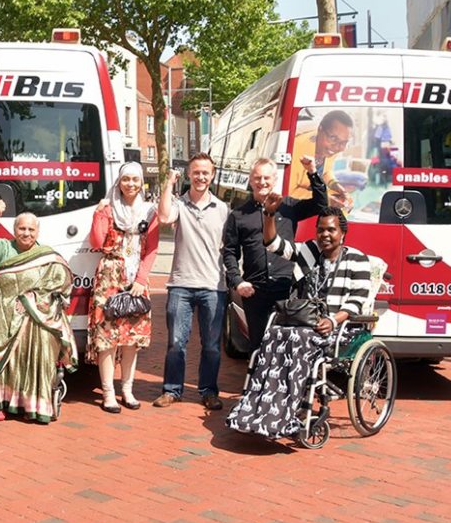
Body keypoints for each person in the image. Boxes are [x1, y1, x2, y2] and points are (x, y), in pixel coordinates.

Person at [226, 174, 371, 439]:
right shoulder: (310, 251)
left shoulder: (358, 260)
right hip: (307, 325)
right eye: (321, 229)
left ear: (343, 233)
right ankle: (259, 409)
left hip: (339, 328)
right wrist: (270, 215)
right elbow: (273, 244)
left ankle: (288, 414)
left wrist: (334, 320)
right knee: (273, 337)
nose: (325, 235)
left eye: (331, 230)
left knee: (298, 340)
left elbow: (356, 300)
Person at [0, 200, 79, 423]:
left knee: (42, 338)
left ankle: (31, 404)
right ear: (14, 230)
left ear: (37, 232)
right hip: (1, 312)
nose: (26, 233)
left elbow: (60, 286)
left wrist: (30, 301)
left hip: (37, 315)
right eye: (21, 228)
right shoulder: (3, 248)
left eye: (31, 229)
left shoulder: (47, 257)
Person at [223, 157, 326, 353]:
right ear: (250, 180)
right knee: (257, 345)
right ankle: (255, 383)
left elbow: (321, 204)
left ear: (275, 179)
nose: (262, 182)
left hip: (285, 287)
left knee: (285, 345)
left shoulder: (289, 206)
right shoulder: (238, 215)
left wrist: (312, 173)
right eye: (257, 177)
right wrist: (237, 281)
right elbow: (230, 252)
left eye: (267, 178)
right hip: (255, 290)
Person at [153, 154, 230, 410]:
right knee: (176, 343)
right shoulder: (179, 204)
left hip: (213, 285)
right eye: (196, 172)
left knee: (211, 346)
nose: (200, 177)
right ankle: (172, 390)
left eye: (205, 172)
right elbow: (163, 217)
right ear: (189, 174)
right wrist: (168, 184)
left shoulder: (222, 208)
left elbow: (228, 245)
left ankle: (208, 391)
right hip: (181, 284)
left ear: (212, 174)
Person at [87, 161, 159, 413]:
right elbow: (96, 242)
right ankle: (108, 392)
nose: (130, 184)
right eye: (125, 179)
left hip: (135, 280)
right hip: (109, 277)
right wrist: (99, 213)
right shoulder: (108, 208)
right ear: (119, 182)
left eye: (135, 179)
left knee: (131, 337)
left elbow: (151, 249)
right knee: (108, 337)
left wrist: (141, 279)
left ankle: (127, 390)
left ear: (141, 183)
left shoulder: (150, 212)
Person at [287, 111, 354, 209]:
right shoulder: (294, 151)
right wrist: (326, 199)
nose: (337, 147)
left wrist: (336, 186)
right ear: (320, 129)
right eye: (333, 138)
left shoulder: (329, 147)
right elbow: (289, 192)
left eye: (344, 142)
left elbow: (325, 171)